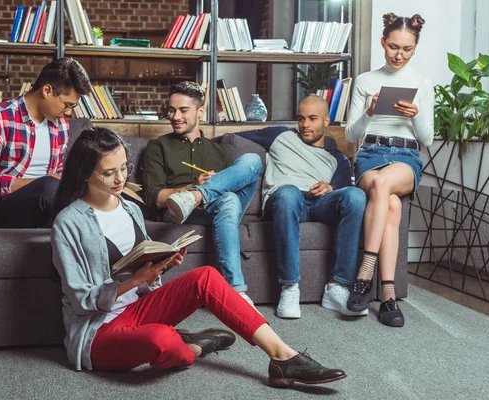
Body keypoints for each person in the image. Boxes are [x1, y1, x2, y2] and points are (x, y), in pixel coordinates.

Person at [50, 127, 347, 388]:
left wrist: (159, 266)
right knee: (161, 340)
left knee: (205, 276)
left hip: (138, 310)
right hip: (99, 331)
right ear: (86, 173)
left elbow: (142, 268)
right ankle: (194, 347)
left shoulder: (129, 208)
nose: (120, 179)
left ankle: (284, 357)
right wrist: (137, 279)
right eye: (108, 172)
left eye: (123, 168)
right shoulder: (68, 223)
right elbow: (81, 300)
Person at [235, 96, 367, 319]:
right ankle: (289, 288)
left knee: (356, 195)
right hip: (284, 201)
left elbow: (344, 193)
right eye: (301, 118)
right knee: (288, 192)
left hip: (318, 204)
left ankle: (337, 287)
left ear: (326, 121)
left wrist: (330, 186)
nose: (305, 125)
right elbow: (230, 138)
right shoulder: (279, 135)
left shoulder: (338, 159)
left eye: (312, 119)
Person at [345, 13, 434, 327]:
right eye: (393, 46)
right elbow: (350, 135)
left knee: (383, 185)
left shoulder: (422, 84)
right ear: (382, 42)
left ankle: (363, 276)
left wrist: (416, 115)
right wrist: (369, 111)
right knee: (391, 203)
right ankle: (388, 297)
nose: (399, 54)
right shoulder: (366, 81)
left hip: (406, 157)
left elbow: (426, 139)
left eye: (406, 49)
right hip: (371, 153)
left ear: (415, 48)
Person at [142, 81, 262, 305]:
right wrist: (189, 187)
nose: (175, 116)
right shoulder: (158, 147)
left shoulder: (219, 151)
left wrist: (207, 188)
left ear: (200, 111)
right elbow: (153, 197)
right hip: (179, 211)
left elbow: (236, 187)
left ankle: (199, 195)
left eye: (183, 110)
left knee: (252, 161)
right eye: (171, 110)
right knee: (227, 199)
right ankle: (237, 292)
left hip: (219, 207)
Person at [0, 57, 92, 228]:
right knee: (49, 187)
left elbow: (57, 172)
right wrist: (38, 182)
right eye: (67, 105)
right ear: (47, 91)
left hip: (48, 202)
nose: (68, 113)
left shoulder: (60, 125)